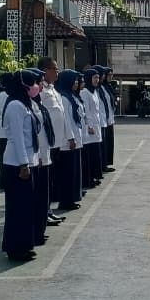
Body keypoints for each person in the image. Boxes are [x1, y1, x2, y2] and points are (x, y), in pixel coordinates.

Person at [1, 70, 40, 261]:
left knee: (26, 208)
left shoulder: (27, 103)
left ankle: (25, 244)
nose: (35, 87)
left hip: (28, 160)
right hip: (17, 163)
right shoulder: (15, 105)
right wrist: (24, 164)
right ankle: (15, 248)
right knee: (17, 209)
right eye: (32, 83)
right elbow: (17, 137)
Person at [39, 59, 79, 215]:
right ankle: (45, 211)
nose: (57, 72)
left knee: (52, 178)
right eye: (54, 69)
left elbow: (63, 116)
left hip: (58, 142)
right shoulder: (40, 91)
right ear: (45, 70)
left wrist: (70, 137)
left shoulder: (54, 91)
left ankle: (48, 210)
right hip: (47, 142)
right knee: (46, 179)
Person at [26, 67, 59, 239]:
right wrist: (37, 155)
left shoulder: (36, 102)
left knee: (43, 193)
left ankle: (42, 223)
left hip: (44, 153)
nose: (39, 86)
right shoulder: (21, 105)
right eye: (37, 83)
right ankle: (36, 230)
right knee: (36, 196)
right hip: (35, 157)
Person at [53, 69, 85, 210]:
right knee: (68, 173)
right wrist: (71, 138)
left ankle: (72, 198)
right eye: (74, 80)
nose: (76, 83)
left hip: (75, 137)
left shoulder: (72, 96)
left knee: (74, 172)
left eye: (77, 80)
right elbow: (66, 120)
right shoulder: (64, 98)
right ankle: (66, 201)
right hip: (68, 141)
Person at [80, 68, 106, 188]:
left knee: (95, 153)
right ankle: (88, 179)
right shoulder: (85, 92)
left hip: (96, 125)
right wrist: (89, 126)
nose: (97, 80)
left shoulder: (94, 91)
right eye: (94, 77)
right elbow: (86, 111)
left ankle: (94, 176)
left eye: (98, 77)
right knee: (89, 154)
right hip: (89, 128)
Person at [95, 66, 117, 173]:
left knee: (108, 143)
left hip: (108, 119)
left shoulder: (107, 87)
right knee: (103, 144)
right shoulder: (98, 88)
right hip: (102, 120)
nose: (108, 77)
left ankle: (106, 164)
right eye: (107, 75)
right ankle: (102, 165)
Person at [0, 72, 15, 191]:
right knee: (6, 158)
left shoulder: (3, 94)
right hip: (6, 132)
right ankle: (5, 181)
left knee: (5, 157)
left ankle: (4, 181)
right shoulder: (5, 94)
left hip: (4, 131)